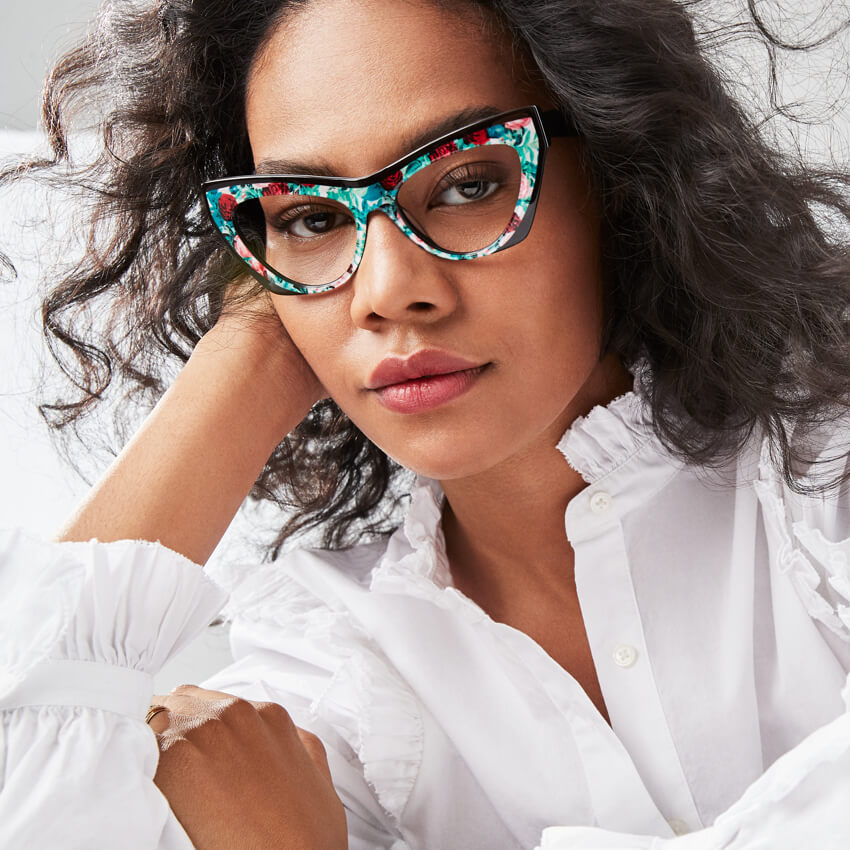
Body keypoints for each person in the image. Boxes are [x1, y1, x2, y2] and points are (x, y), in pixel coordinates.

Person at [1, 0, 850, 847]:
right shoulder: (335, 670)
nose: (387, 289)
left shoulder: (823, 486)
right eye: (312, 215)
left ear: (623, 177)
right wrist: (247, 362)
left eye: (468, 183)